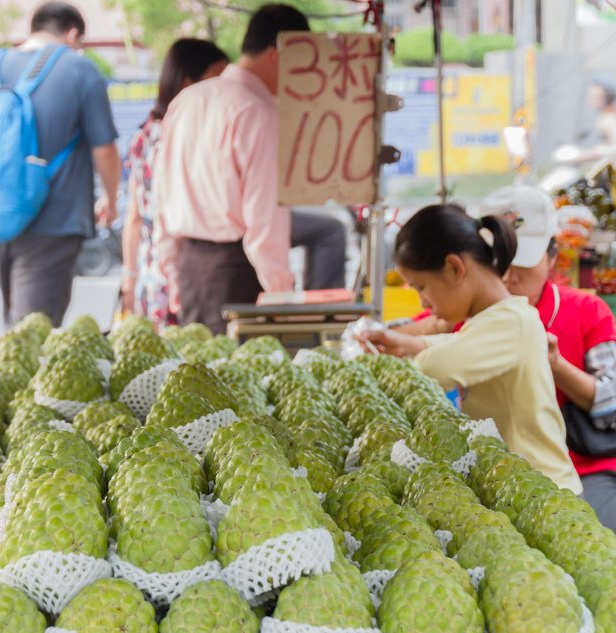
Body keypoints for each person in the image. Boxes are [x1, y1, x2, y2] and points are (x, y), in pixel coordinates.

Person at [0, 1, 120, 327]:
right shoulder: (79, 69)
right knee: (31, 334)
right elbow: (105, 150)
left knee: (16, 326)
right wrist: (111, 200)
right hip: (53, 221)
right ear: (73, 34)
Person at [364, 204, 582, 494]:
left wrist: (386, 368)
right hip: (518, 486)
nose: (423, 304)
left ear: (455, 268)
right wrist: (411, 344)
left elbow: (434, 368)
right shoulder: (494, 320)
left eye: (421, 287)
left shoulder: (512, 322)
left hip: (547, 492)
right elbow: (459, 344)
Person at [154, 4, 345, 334]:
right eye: (299, 61)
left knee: (196, 375)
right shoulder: (256, 113)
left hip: (190, 269)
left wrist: (171, 274)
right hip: (236, 271)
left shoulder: (186, 100)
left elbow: (162, 200)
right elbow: (265, 222)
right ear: (278, 53)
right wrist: (281, 298)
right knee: (235, 380)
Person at [484, 185, 616, 528]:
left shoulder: (587, 311)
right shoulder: (467, 315)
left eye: (522, 262)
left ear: (552, 256)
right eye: (498, 263)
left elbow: (612, 407)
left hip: (579, 470)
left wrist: (557, 366)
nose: (510, 276)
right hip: (490, 472)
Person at [121, 38, 229, 329]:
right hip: (182, 271)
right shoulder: (185, 135)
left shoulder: (142, 134)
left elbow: (133, 216)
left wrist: (130, 279)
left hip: (150, 274)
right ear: (187, 83)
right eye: (216, 80)